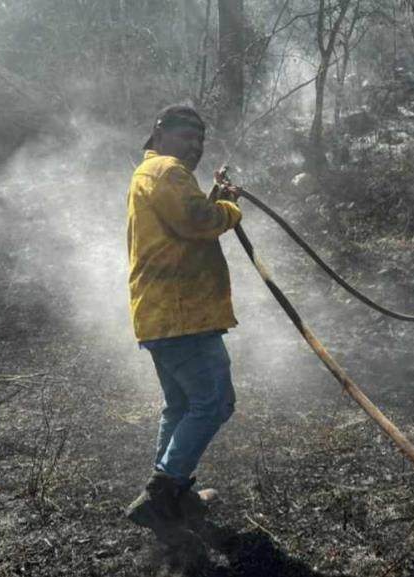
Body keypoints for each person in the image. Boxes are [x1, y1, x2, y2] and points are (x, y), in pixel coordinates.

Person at [123, 104, 244, 529]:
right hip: (182, 315)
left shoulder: (153, 175)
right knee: (214, 403)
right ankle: (163, 493)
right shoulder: (167, 172)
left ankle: (173, 494)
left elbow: (186, 222)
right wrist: (230, 209)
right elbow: (198, 220)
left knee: (181, 406)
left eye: (200, 141)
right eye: (186, 136)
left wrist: (216, 201)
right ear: (158, 134)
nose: (194, 146)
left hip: (162, 316)